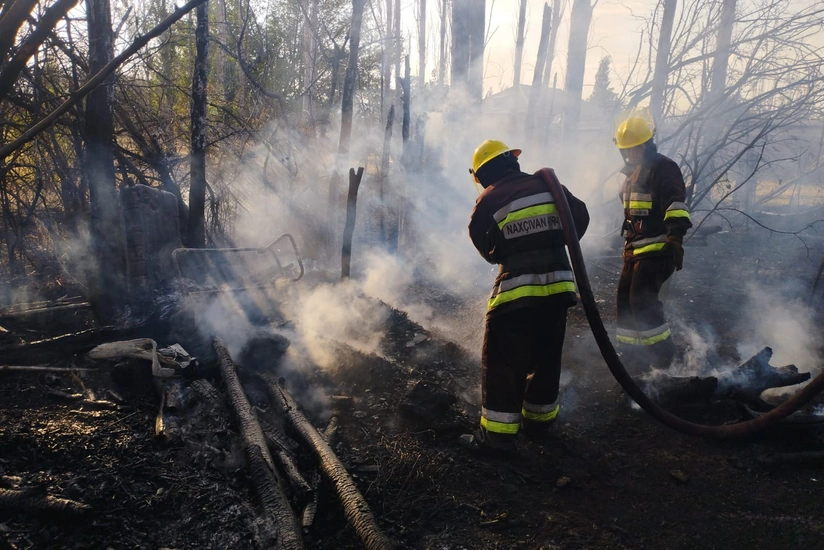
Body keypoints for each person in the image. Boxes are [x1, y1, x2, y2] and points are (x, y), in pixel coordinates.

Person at [464, 139, 589, 455]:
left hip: (516, 292)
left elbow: (487, 250)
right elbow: (580, 219)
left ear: (483, 174)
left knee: (503, 360)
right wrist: (551, 237)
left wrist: (512, 248)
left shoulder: (489, 199)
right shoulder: (550, 186)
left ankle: (498, 437)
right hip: (559, 289)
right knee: (546, 356)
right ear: (512, 162)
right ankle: (539, 423)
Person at [612, 113, 692, 375]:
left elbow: (676, 205)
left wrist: (675, 237)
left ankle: (663, 362)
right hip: (634, 250)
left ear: (645, 146)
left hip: (658, 248)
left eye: (633, 148)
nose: (629, 154)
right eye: (626, 150)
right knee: (624, 302)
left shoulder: (664, 169)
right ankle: (634, 363)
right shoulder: (632, 174)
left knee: (641, 301)